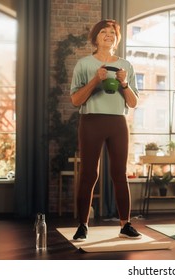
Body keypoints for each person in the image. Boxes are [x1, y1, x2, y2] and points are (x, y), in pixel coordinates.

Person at [69, 19, 141, 241]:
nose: (109, 35)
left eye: (112, 32)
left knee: (120, 174)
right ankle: (82, 225)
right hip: (91, 120)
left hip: (118, 122)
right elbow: (75, 100)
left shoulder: (125, 66)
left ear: (117, 39)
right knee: (89, 173)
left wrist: (125, 83)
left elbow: (133, 103)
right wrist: (95, 80)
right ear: (95, 37)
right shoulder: (84, 64)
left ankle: (125, 224)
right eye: (104, 32)